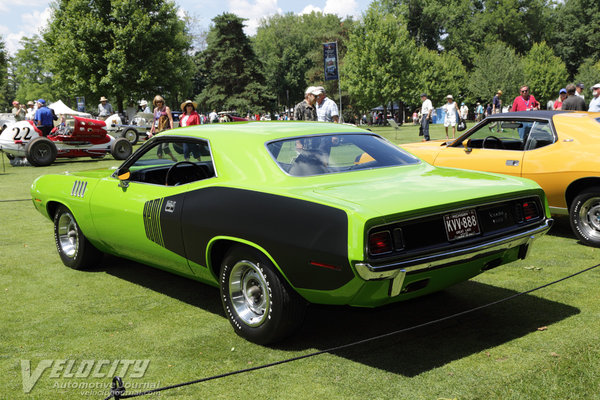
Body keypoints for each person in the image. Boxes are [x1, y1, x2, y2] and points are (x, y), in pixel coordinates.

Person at [149, 95, 176, 161]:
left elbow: (170, 119)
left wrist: (171, 130)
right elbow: (154, 121)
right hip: (158, 131)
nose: (159, 103)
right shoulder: (155, 110)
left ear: (162, 102)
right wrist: (150, 131)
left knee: (164, 147)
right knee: (159, 149)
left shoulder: (166, 108)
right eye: (157, 102)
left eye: (160, 101)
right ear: (155, 103)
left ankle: (173, 158)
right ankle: (160, 162)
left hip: (166, 130)